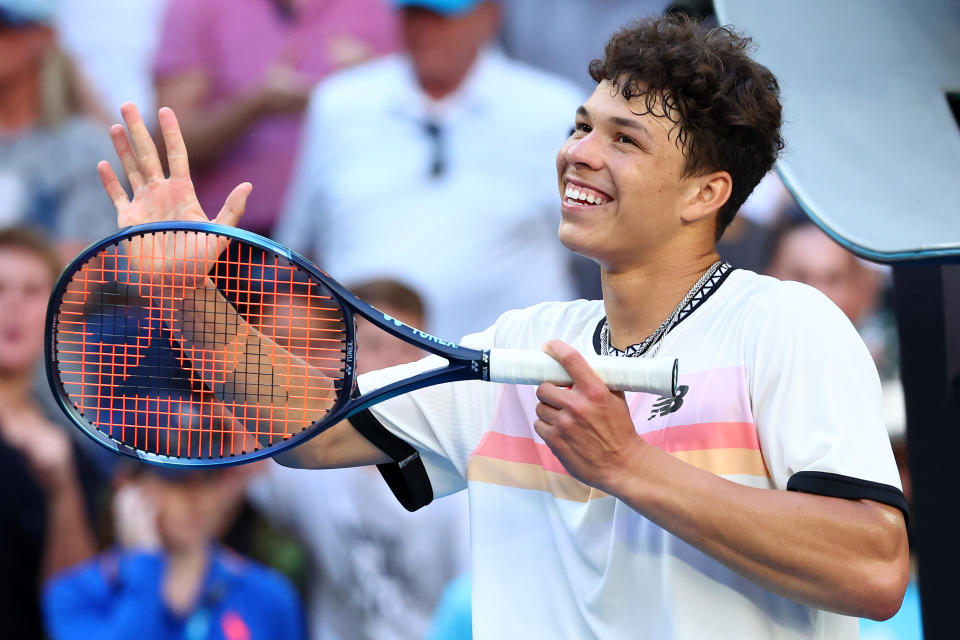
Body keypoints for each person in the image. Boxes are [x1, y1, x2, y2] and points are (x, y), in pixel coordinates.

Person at [95, 12, 909, 639]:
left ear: (706, 193)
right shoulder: (515, 345)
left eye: (624, 140)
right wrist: (187, 298)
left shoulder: (788, 326)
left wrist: (628, 467)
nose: (580, 153)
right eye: (582, 126)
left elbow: (873, 568)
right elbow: (308, 430)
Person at [274, 0, 582, 341]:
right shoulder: (340, 103)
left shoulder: (553, 110)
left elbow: (596, 248)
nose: (423, 31)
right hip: (367, 375)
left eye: (441, 16)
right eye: (413, 14)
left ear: (489, 15)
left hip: (513, 375)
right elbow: (296, 249)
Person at [248, 278, 470, 640]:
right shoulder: (301, 465)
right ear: (342, 356)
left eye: (409, 347)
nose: (393, 363)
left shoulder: (458, 481)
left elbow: (468, 599)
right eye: (376, 345)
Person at [153, 0, 398, 236]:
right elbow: (166, 147)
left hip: (344, 238)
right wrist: (257, 104)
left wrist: (368, 83)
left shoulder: (377, 8)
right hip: (231, 243)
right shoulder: (199, 6)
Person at [43, 465, 306, 640]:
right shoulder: (74, 593)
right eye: (176, 479)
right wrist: (145, 561)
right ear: (127, 486)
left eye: (209, 478)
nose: (197, 497)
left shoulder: (270, 595)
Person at [0, 226, 100, 640]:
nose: (13, 306)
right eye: (0, 287)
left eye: (32, 290)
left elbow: (72, 609)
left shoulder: (72, 455)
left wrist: (63, 494)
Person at [0, 1, 119, 255]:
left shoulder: (85, 148)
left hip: (44, 295)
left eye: (5, 25)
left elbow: (80, 273)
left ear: (44, 34)